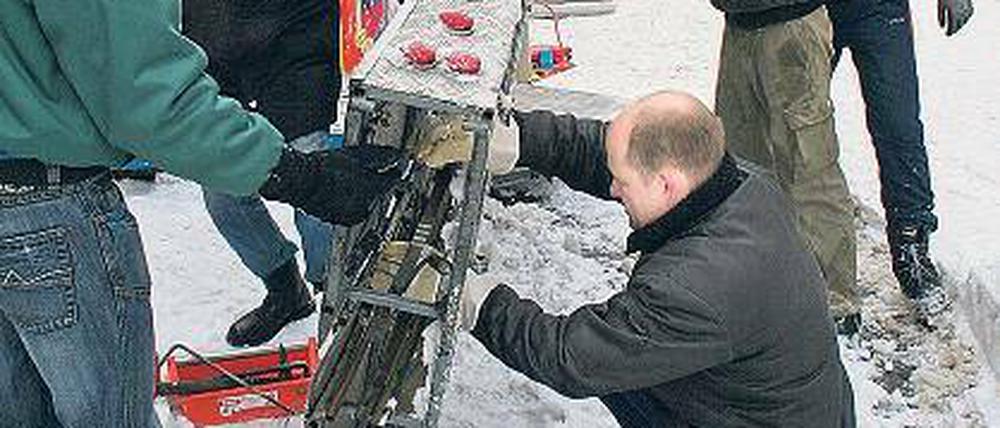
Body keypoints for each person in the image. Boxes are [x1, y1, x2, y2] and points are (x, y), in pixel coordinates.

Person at [0, 0, 401, 425]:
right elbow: (147, 100)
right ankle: (286, 285)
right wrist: (298, 177)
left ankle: (334, 303)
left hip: (288, 64)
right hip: (49, 208)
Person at [464, 91, 855, 427]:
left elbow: (570, 357)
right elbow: (614, 153)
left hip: (753, 418)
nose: (613, 189)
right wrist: (522, 140)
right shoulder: (738, 183)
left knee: (603, 362)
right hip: (773, 400)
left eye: (622, 181)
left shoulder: (694, 290)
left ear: (666, 184)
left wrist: (480, 304)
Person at [182, 0, 340, 347]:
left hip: (296, 54)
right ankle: (286, 290)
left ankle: (335, 294)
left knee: (314, 187)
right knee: (222, 193)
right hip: (218, 58)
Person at [712, 0, 862, 334]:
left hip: (792, 26)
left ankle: (835, 303)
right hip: (739, 26)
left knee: (809, 166)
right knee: (740, 165)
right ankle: (759, 282)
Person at [827, 0, 973, 323]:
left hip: (881, 10)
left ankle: (912, 249)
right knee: (798, 130)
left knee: (899, 127)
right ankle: (800, 249)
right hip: (808, 12)